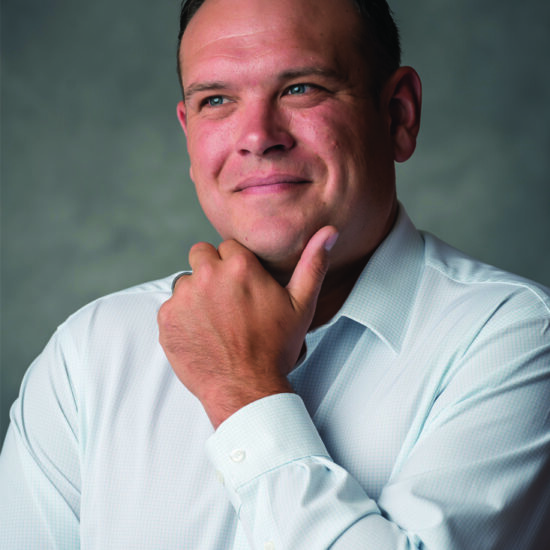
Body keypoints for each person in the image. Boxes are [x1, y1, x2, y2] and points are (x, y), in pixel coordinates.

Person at [1, 0, 549, 548]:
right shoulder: (90, 352)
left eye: (301, 88)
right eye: (217, 100)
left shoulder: (517, 338)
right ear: (189, 136)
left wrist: (242, 392)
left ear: (398, 115)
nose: (258, 136)